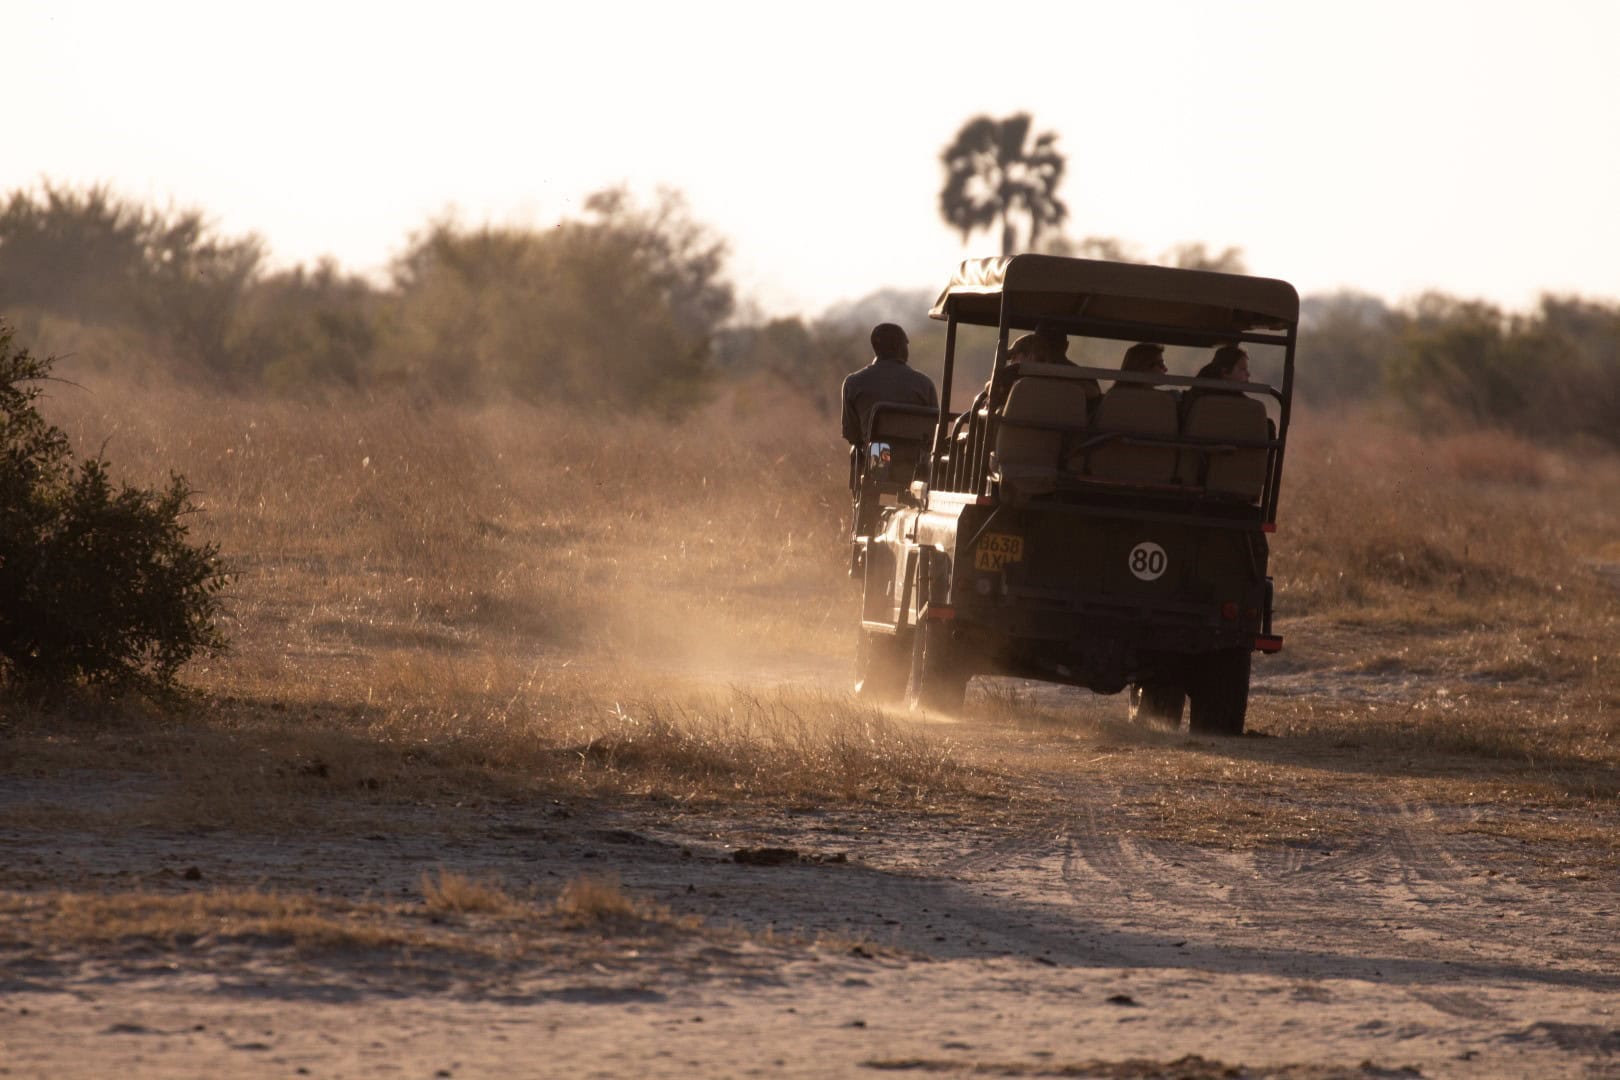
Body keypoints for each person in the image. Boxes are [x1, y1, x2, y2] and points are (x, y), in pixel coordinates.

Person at [840, 323, 938, 446]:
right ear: (898, 347)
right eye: (906, 344)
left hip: (876, 458)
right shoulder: (924, 384)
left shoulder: (852, 383)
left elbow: (851, 435)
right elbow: (935, 431)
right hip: (916, 460)